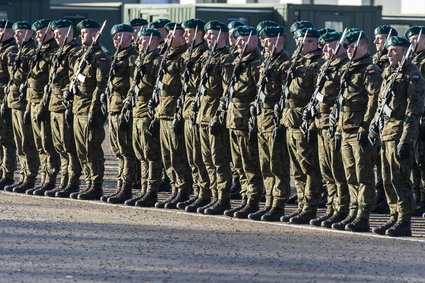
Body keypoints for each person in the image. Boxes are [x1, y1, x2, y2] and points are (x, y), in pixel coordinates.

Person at [370, 36, 425, 236]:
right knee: (387, 179)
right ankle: (393, 216)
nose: (390, 53)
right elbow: (380, 102)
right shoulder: (389, 72)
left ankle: (404, 220)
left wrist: (406, 140)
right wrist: (374, 125)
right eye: (389, 50)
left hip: (400, 134)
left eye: (394, 50)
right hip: (386, 132)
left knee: (400, 179)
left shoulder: (413, 75)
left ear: (404, 52)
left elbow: (414, 111)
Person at [331, 30, 381, 232]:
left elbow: (374, 100)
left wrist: (366, 125)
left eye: (352, 47)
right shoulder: (348, 68)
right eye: (346, 47)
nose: (348, 50)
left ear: (364, 47)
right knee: (350, 175)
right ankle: (352, 212)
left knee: (363, 175)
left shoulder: (370, 70)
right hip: (344, 128)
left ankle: (363, 215)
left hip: (359, 129)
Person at [219, 25, 264, 219]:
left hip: (247, 120)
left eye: (242, 39)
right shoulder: (236, 61)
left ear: (253, 42)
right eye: (236, 39)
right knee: (238, 163)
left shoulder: (256, 63)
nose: (238, 42)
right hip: (233, 119)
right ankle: (245, 199)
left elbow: (258, 92)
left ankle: (252, 200)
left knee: (250, 163)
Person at [308, 32, 350, 228]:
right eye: (323, 46)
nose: (323, 49)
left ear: (339, 47)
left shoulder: (344, 68)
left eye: (328, 46)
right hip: (320, 123)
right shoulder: (326, 66)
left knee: (337, 171)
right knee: (326, 171)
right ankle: (332, 208)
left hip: (334, 125)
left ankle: (341, 209)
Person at [248, 26, 290, 222]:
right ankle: (268, 203)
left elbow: (285, 96)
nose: (264, 43)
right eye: (263, 40)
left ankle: (278, 204)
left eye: (268, 40)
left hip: (275, 120)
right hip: (262, 119)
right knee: (265, 165)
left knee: (277, 165)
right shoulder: (265, 61)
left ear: (279, 41)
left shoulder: (284, 63)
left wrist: (280, 123)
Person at [193, 20, 234, 215]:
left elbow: (227, 92)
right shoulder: (208, 57)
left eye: (212, 34)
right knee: (206, 159)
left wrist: (219, 116)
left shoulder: (226, 58)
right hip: (202, 113)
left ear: (223, 36)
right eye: (207, 34)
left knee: (219, 160)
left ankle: (223, 198)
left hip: (214, 115)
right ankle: (209, 194)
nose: (208, 38)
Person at [67, 19, 110, 201]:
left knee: (92, 148)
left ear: (94, 34)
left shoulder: (100, 56)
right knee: (82, 150)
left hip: (89, 111)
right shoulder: (82, 55)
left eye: (85, 33)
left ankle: (96, 185)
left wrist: (94, 111)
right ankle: (88, 183)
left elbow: (101, 87)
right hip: (78, 109)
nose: (81, 36)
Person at [153, 22, 192, 209]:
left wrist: (178, 113)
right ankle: (175, 188)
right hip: (163, 111)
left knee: (178, 155)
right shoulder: (165, 55)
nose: (167, 38)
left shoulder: (184, 57)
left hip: (175, 111)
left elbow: (186, 90)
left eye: (172, 35)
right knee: (167, 155)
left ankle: (183, 190)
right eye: (167, 35)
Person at [123, 28, 163, 207]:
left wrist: (155, 115)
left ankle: (151, 192)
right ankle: (144, 190)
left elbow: (159, 90)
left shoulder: (157, 61)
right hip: (137, 112)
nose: (138, 43)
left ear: (153, 41)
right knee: (141, 154)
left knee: (151, 154)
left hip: (148, 112)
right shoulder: (140, 59)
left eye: (142, 39)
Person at [43, 19, 82, 198]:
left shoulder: (74, 53)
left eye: (59, 34)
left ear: (68, 34)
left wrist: (68, 91)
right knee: (59, 146)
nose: (56, 37)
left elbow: (78, 77)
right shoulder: (59, 52)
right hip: (54, 105)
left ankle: (71, 182)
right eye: (55, 33)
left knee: (68, 147)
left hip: (66, 105)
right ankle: (62, 181)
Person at [100, 23, 138, 204]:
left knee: (126, 151)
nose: (115, 39)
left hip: (123, 110)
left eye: (119, 36)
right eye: (114, 36)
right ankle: (119, 185)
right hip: (113, 109)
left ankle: (126, 187)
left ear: (130, 37)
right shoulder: (117, 56)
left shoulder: (132, 57)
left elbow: (133, 86)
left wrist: (126, 110)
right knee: (118, 151)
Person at [4, 21, 40, 193]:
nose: (18, 35)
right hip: (14, 101)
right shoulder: (20, 51)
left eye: (20, 32)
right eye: (16, 32)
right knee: (19, 143)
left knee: (27, 143)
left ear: (30, 34)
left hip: (25, 102)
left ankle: (30, 177)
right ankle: (23, 176)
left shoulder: (31, 52)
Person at [25, 19, 60, 196]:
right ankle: (42, 178)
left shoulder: (54, 52)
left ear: (50, 32)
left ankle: (50, 179)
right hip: (33, 102)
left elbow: (53, 81)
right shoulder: (38, 51)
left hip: (45, 104)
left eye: (41, 32)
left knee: (47, 144)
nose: (37, 35)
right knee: (38, 143)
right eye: (36, 32)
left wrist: (44, 106)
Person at [0, 19, 17, 190]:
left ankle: (7, 174)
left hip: (4, 100)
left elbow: (13, 78)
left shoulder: (11, 51)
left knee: (6, 140)